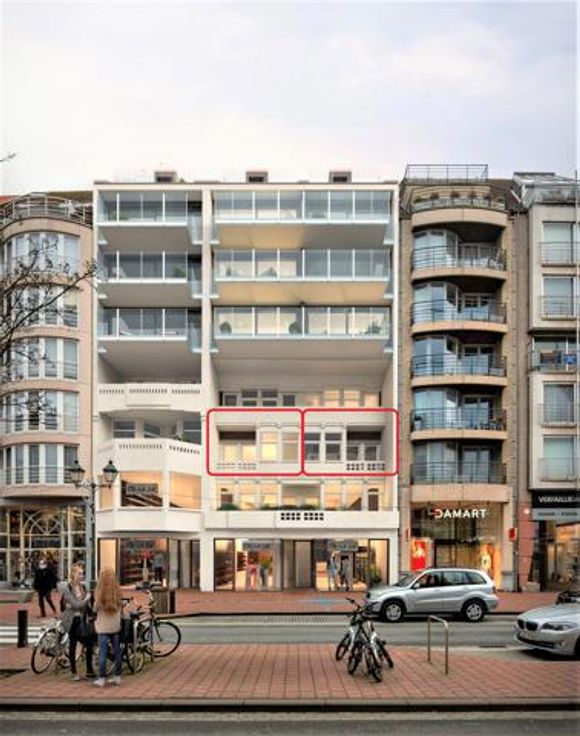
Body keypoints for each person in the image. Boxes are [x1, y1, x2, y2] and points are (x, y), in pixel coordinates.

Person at [60, 564, 95, 681]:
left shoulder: (83, 587)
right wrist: (85, 599)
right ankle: (74, 672)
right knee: (73, 644)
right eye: (79, 573)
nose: (82, 576)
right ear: (73, 574)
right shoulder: (67, 588)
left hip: (82, 619)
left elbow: (84, 606)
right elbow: (76, 605)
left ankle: (89, 670)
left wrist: (84, 605)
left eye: (82, 573)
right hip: (72, 620)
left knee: (89, 643)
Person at [93, 567, 123, 688]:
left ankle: (101, 678)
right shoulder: (117, 591)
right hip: (115, 626)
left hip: (103, 627)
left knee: (103, 653)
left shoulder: (99, 592)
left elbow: (95, 608)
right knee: (117, 651)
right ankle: (117, 676)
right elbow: (121, 606)